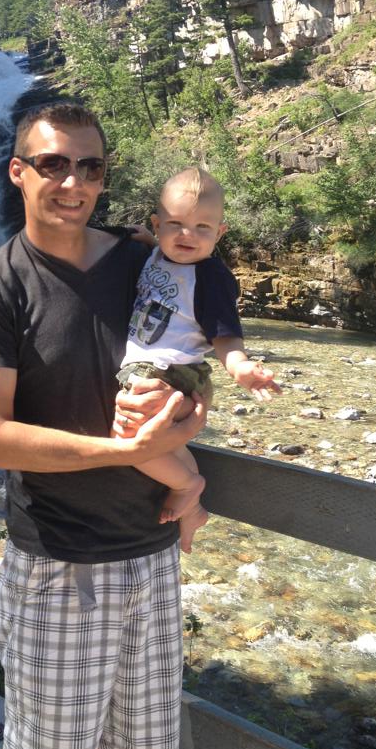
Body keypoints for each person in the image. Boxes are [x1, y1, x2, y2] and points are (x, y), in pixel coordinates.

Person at [0, 102, 206, 749]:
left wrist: (192, 417)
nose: (73, 182)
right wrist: (128, 453)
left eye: (89, 167)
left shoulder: (145, 262)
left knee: (122, 746)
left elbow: (194, 350)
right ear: (17, 171)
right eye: (53, 164)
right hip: (57, 563)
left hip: (150, 555)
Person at [116, 168, 281, 553]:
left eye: (202, 227)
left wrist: (240, 366)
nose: (187, 235)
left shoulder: (210, 277)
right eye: (175, 224)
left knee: (126, 434)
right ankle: (194, 511)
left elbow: (225, 334)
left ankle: (186, 485)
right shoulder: (157, 254)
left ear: (220, 233)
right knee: (164, 445)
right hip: (163, 369)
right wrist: (145, 241)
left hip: (170, 371)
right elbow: (154, 246)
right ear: (157, 225)